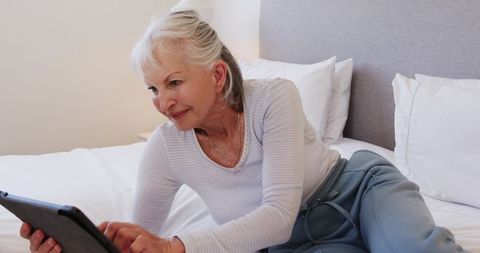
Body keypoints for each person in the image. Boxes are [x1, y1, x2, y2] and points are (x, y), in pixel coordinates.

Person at [20, 10, 466, 253]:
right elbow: (145, 234)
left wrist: (176, 248)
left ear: (216, 74)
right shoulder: (165, 147)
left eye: (174, 82)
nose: (162, 101)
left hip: (358, 192)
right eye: (153, 88)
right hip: (298, 243)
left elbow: (275, 215)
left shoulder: (275, 99)